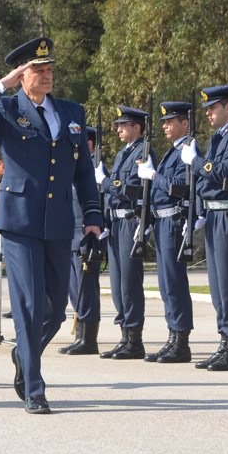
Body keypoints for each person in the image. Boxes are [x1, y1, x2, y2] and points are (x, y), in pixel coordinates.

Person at [0, 37, 103, 414]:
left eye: (49, 69)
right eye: (38, 70)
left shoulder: (72, 112)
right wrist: (1, 85)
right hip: (20, 222)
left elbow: (83, 171)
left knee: (55, 311)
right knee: (26, 306)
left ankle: (23, 354)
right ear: (22, 74)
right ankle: (35, 389)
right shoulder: (7, 109)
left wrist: (92, 216)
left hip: (58, 224)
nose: (47, 75)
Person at [180, 85, 228, 371]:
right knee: (217, 286)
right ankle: (224, 341)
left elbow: (223, 173)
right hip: (213, 215)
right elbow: (208, 180)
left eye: (213, 107)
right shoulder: (217, 138)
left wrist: (196, 162)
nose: (208, 113)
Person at [137, 102, 194, 363]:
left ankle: (181, 341)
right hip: (161, 222)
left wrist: (153, 176)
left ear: (185, 123)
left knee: (174, 283)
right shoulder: (172, 152)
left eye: (171, 121)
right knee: (165, 285)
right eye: (164, 122)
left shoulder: (188, 151)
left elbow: (180, 187)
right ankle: (173, 336)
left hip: (173, 222)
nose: (165, 126)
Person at [95, 105, 154, 360]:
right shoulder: (122, 153)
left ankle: (135, 338)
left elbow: (131, 188)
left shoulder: (144, 151)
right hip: (116, 223)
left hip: (131, 221)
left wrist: (105, 182)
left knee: (130, 282)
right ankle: (124, 335)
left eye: (123, 125)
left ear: (136, 128)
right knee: (118, 283)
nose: (118, 129)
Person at [60, 126, 102, 355]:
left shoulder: (94, 170)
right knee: (74, 289)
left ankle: (89, 339)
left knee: (87, 289)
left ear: (90, 145)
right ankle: (80, 335)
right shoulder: (71, 168)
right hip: (69, 235)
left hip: (86, 235)